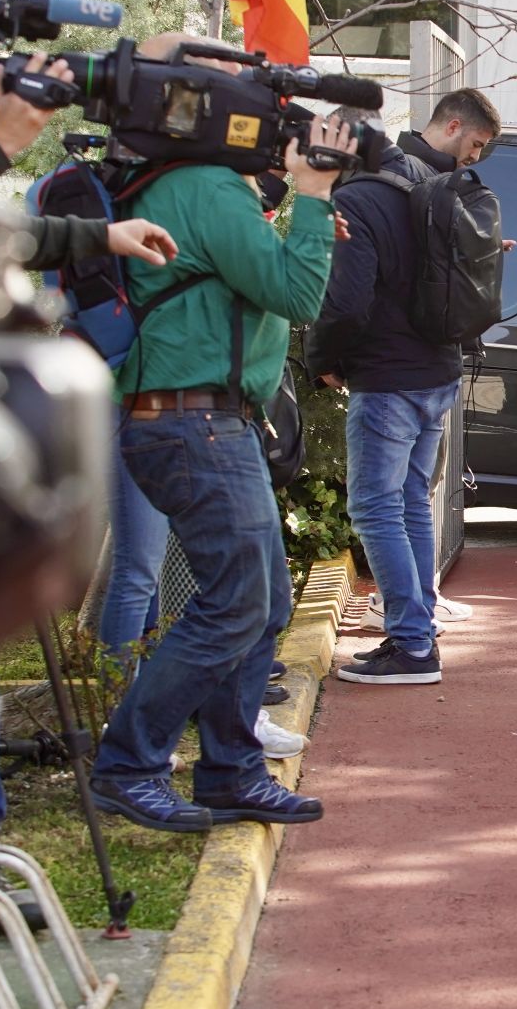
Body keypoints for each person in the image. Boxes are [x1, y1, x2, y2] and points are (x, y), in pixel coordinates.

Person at [87, 113, 358, 833]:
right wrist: (314, 193)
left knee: (262, 602)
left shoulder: (201, 187)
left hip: (206, 418)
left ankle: (231, 773)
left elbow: (254, 284)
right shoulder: (208, 186)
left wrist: (298, 221)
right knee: (237, 600)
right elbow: (296, 296)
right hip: (192, 420)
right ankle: (128, 765)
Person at [313, 89, 503, 688]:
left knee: (374, 506)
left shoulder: (357, 199)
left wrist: (323, 358)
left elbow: (346, 302)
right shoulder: (432, 185)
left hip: (388, 376)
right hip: (438, 371)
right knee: (412, 499)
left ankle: (413, 645)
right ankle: (421, 622)